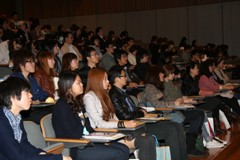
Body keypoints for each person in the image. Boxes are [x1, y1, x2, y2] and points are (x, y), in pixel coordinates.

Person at [108, 66, 188, 160]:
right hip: (134, 127)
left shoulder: (122, 92)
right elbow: (124, 115)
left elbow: (133, 108)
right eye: (124, 76)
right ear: (117, 78)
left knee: (177, 126)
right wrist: (141, 113)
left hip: (140, 123)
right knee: (171, 130)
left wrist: (142, 110)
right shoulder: (114, 94)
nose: (126, 77)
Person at [52, 71, 129, 160]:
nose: (82, 85)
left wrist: (101, 139)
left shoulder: (78, 102)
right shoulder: (62, 106)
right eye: (78, 83)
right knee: (118, 153)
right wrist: (94, 141)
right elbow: (71, 134)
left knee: (124, 149)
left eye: (81, 82)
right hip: (75, 147)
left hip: (87, 141)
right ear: (68, 86)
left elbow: (88, 126)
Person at [84, 67, 156, 160]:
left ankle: (133, 134)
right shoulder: (89, 97)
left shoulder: (104, 95)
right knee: (144, 141)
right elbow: (99, 123)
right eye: (105, 79)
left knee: (149, 138)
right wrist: (122, 124)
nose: (108, 82)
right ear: (97, 81)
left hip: (114, 132)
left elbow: (114, 117)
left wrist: (121, 125)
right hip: (104, 135)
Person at [140, 66, 207, 157]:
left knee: (197, 114)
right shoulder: (150, 89)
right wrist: (174, 103)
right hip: (161, 116)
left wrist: (177, 102)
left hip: (167, 113)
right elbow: (158, 106)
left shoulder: (156, 88)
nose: (163, 75)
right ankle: (189, 148)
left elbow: (167, 100)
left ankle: (186, 152)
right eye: (160, 73)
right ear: (154, 75)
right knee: (183, 123)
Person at [0, 77, 71, 160]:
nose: (31, 95)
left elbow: (24, 145)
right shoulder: (1, 122)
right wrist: (58, 158)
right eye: (27, 92)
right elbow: (18, 156)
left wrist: (41, 153)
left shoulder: (16, 118)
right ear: (13, 96)